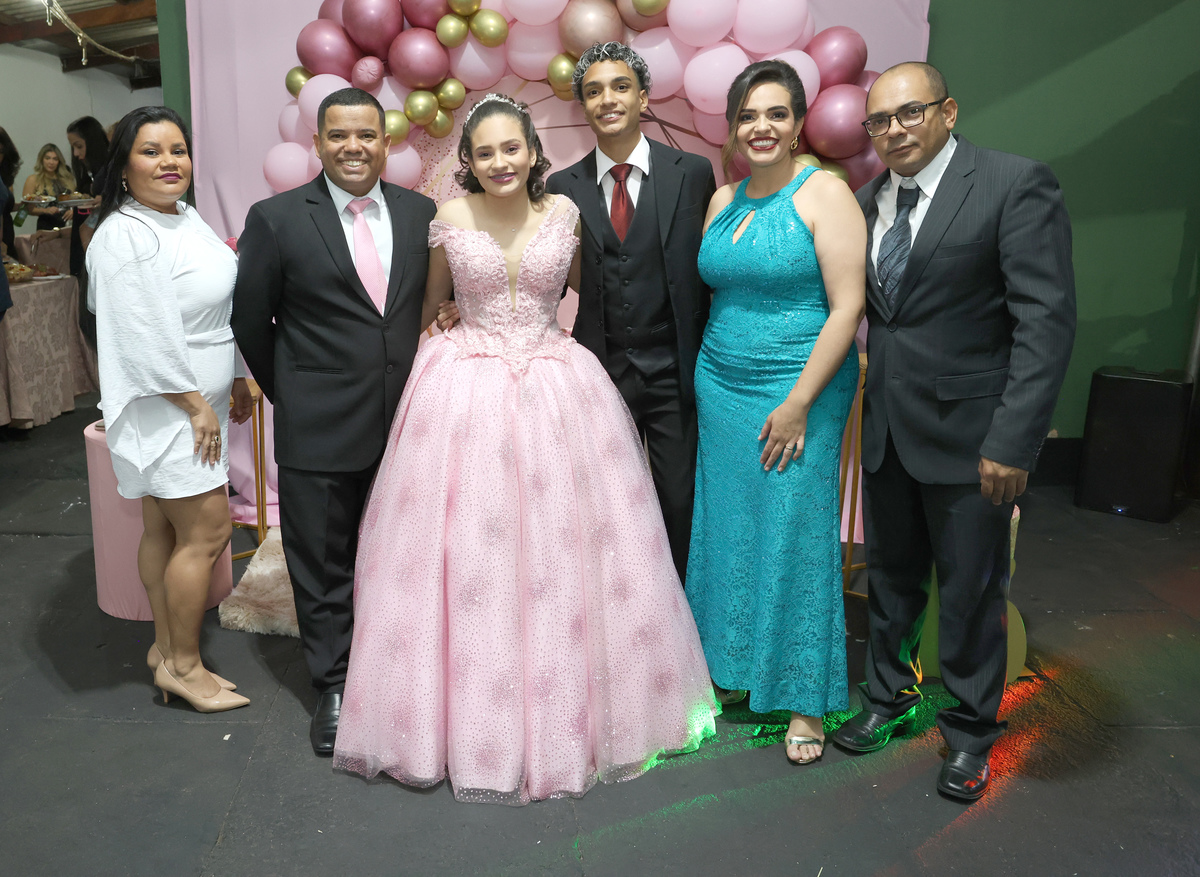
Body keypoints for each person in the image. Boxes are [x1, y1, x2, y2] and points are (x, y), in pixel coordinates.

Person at [332, 94, 718, 804]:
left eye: (512, 148)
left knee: (567, 549)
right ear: (468, 161)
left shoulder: (566, 212)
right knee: (470, 549)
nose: (500, 162)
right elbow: (434, 303)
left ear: (534, 152)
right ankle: (461, 720)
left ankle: (583, 710)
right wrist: (452, 319)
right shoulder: (450, 218)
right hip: (465, 387)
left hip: (556, 382)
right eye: (485, 152)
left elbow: (593, 291)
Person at [830, 62, 1076, 801]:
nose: (894, 130)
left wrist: (1013, 441)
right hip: (889, 432)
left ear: (948, 111)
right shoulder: (866, 201)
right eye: (880, 120)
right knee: (891, 579)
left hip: (975, 440)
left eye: (910, 112)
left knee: (971, 592)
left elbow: (1045, 323)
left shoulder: (1012, 184)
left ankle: (970, 732)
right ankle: (889, 697)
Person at [231, 87, 437, 756]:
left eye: (366, 135)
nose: (354, 147)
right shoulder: (276, 218)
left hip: (409, 423)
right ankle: (336, 684)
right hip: (316, 424)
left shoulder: (421, 212)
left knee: (401, 557)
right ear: (317, 143)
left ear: (387, 142)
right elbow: (250, 320)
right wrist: (292, 392)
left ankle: (399, 670)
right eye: (339, 135)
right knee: (320, 563)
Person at [684, 61, 866, 766]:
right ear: (733, 128)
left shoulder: (825, 193)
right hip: (721, 385)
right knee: (727, 526)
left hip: (800, 388)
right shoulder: (722, 198)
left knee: (796, 529)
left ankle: (804, 698)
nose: (761, 127)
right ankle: (731, 668)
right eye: (748, 115)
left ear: (797, 124)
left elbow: (847, 307)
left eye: (776, 113)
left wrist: (797, 404)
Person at [87, 105, 256, 713]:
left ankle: (165, 650)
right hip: (168, 405)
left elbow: (214, 308)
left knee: (163, 526)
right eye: (151, 151)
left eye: (178, 150)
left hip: (194, 399)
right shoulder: (125, 234)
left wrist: (235, 375)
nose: (169, 162)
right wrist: (193, 405)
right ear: (123, 166)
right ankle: (185, 667)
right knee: (208, 531)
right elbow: (138, 334)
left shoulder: (183, 216)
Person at [544, 42, 716, 582]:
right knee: (604, 508)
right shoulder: (561, 188)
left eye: (620, 87)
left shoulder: (693, 173)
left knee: (680, 503)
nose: (608, 99)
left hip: (674, 370)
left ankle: (681, 615)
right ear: (583, 106)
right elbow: (541, 270)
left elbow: (711, 268)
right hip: (600, 371)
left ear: (643, 97)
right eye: (594, 91)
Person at [67, 115, 110, 348]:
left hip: (99, 255)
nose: (75, 154)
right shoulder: (93, 173)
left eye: (79, 146)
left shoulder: (110, 171)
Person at [21, 143, 76, 231]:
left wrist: (74, 211)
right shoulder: (33, 180)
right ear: (41, 160)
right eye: (47, 158)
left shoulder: (66, 179)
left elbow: (76, 200)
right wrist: (45, 210)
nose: (51, 162)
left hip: (68, 225)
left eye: (55, 159)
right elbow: (25, 209)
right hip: (46, 225)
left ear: (59, 161)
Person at [0, 126, 19, 254]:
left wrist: (23, 206)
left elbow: (5, 207)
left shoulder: (4, 177)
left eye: (1, 152)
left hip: (7, 237)